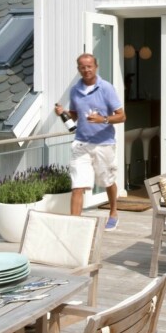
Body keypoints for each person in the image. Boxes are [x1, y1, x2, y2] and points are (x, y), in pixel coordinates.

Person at [55, 53, 126, 230]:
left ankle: (113, 213)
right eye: (82, 67)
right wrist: (63, 112)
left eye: (89, 66)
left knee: (108, 181)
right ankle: (74, 226)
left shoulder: (106, 88)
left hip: (104, 143)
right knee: (77, 185)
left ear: (96, 67)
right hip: (81, 143)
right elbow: (75, 114)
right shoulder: (75, 90)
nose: (86, 70)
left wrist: (103, 120)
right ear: (78, 69)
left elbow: (122, 116)